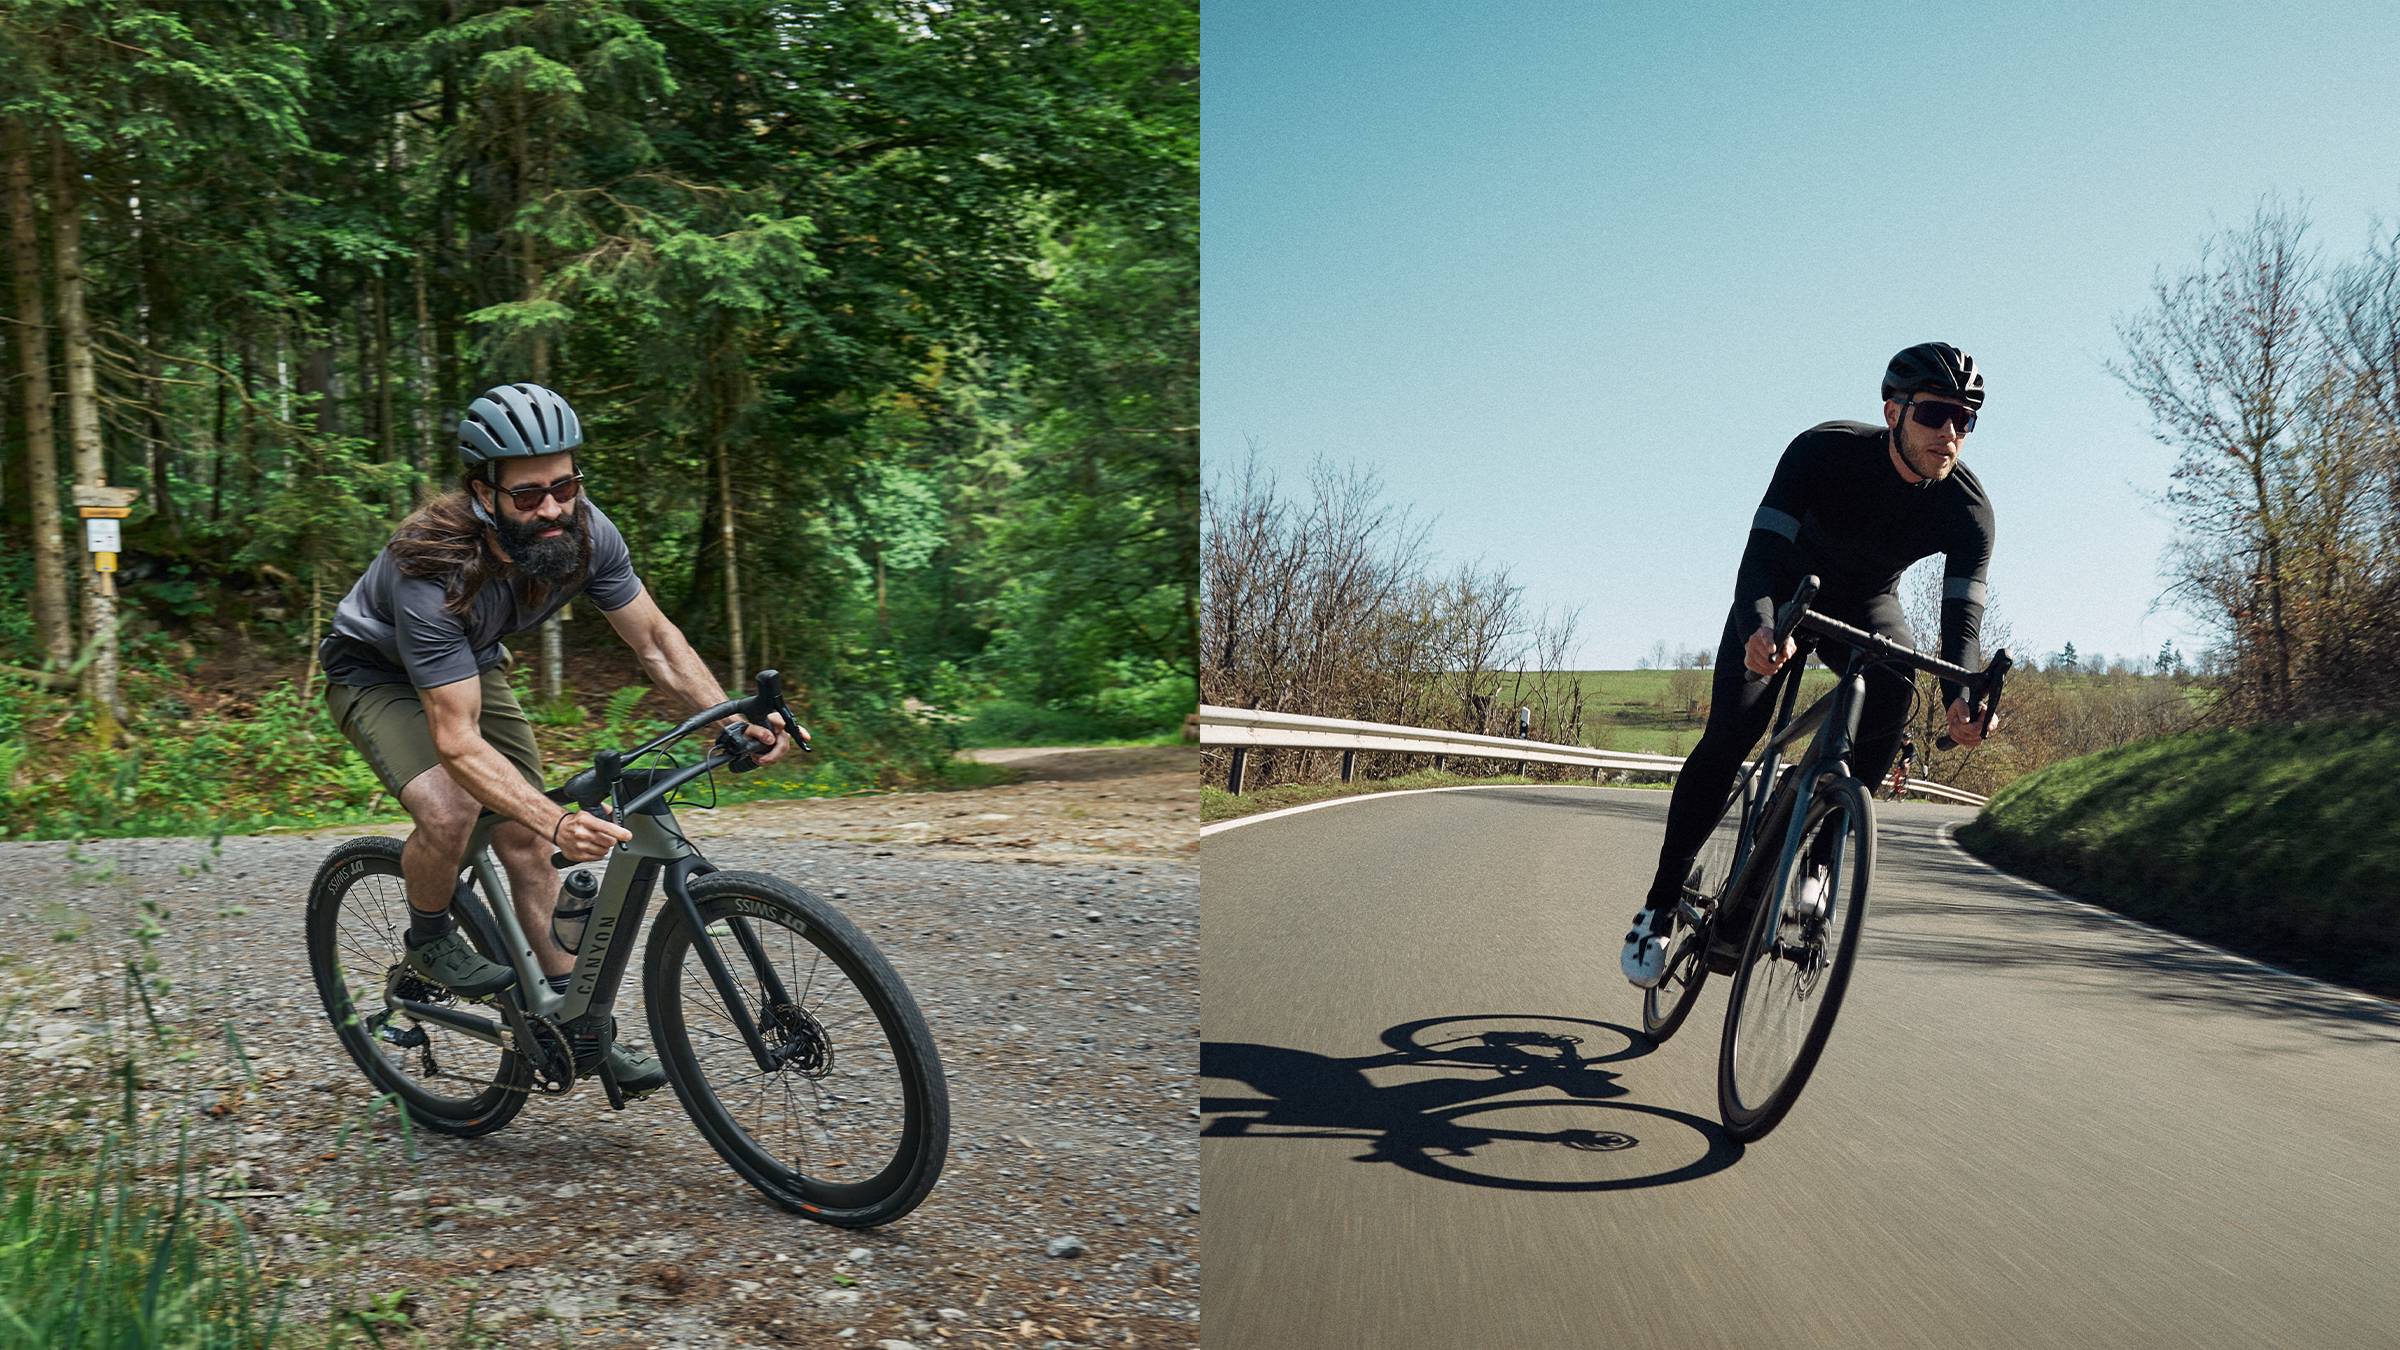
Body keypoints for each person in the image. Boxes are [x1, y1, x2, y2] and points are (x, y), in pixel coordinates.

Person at [318, 382, 803, 1092]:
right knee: (454, 809)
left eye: (564, 485)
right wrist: (557, 816)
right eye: (527, 495)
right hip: (376, 672)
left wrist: (734, 719)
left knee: (528, 842)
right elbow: (454, 741)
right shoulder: (429, 568)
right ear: (483, 493)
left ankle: (574, 1025)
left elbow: (659, 645)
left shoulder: (586, 533)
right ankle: (427, 940)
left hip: (469, 660)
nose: (551, 507)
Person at [1622, 343, 2000, 988]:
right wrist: (1759, 628)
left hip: (1870, 600)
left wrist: (1965, 696)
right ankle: (1657, 906)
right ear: (1893, 411)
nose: (1950, 433)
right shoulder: (1821, 451)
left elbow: (1960, 627)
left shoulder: (1968, 510)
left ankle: (1818, 862)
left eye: (1965, 420)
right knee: (1734, 731)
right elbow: (1762, 553)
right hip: (1785, 591)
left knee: (1894, 692)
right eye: (1936, 414)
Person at [1889, 734, 1919, 800]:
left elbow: (1911, 756)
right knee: (1898, 770)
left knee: (1905, 764)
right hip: (1904, 756)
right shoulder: (1901, 744)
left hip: (1912, 757)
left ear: (1909, 740)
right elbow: (1896, 751)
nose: (1905, 741)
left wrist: (1908, 760)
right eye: (1904, 740)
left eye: (1907, 740)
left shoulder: (1911, 746)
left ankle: (1905, 778)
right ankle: (1895, 788)